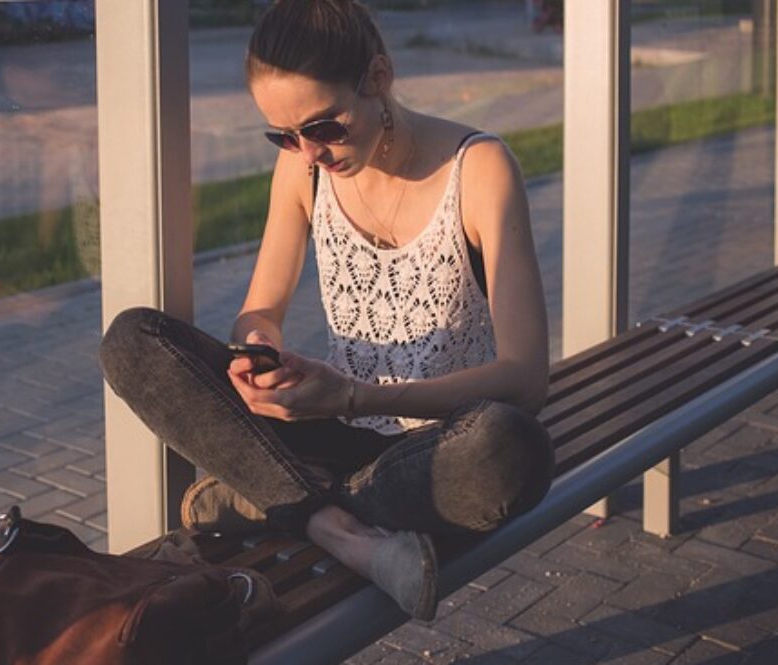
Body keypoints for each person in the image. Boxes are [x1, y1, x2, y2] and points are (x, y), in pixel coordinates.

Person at [100, 0, 553, 621]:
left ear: (378, 78)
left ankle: (274, 495)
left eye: (324, 127)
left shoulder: (478, 168)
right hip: (330, 427)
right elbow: (260, 308)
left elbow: (526, 376)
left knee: (510, 450)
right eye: (284, 135)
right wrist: (257, 355)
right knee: (133, 341)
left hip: (433, 446)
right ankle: (339, 528)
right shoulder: (301, 172)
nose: (308, 152)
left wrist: (355, 396)